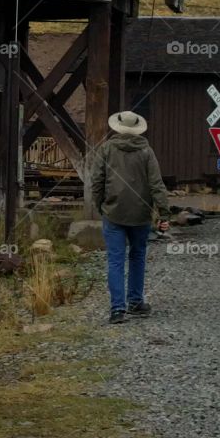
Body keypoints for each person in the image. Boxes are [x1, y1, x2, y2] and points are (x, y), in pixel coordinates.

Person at [89, 110, 170, 324]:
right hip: (141, 214)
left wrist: (100, 206)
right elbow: (156, 184)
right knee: (137, 256)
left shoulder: (106, 149)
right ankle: (135, 301)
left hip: (113, 212)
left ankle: (117, 310)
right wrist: (164, 213)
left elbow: (96, 181)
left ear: (117, 127)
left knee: (115, 260)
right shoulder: (146, 152)